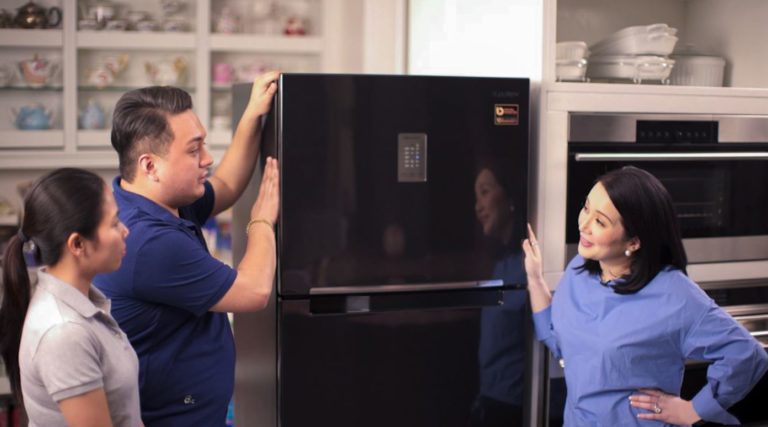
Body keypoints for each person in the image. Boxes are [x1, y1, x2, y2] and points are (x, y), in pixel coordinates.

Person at [93, 72, 280, 425]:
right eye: (194, 150)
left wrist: (252, 114)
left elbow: (226, 184)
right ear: (150, 165)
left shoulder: (153, 200)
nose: (207, 158)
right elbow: (254, 291)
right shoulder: (149, 241)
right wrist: (261, 219)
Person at [522, 166, 768, 426]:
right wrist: (535, 280)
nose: (583, 225)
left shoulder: (675, 294)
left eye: (600, 221)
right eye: (586, 208)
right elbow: (561, 342)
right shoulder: (579, 270)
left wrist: (694, 410)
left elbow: (746, 354)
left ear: (633, 242)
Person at [0, 168, 140, 426]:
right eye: (114, 223)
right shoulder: (65, 333)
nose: (125, 231)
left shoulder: (83, 304)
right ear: (77, 244)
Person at [468, 162, 527, 427]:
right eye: (476, 197)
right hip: (490, 399)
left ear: (510, 197)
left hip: (513, 406)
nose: (478, 206)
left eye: (485, 191)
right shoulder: (501, 263)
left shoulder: (529, 264)